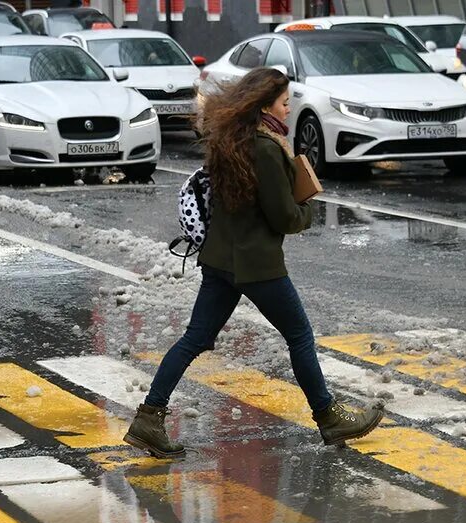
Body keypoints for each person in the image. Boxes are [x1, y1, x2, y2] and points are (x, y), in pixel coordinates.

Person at [123, 67, 384, 459]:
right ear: (264, 105)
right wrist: (306, 207)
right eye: (284, 102)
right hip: (257, 264)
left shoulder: (233, 140)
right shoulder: (264, 148)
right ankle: (328, 417)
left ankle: (148, 417)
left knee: (194, 340)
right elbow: (283, 217)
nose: (289, 108)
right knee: (299, 336)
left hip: (219, 260)